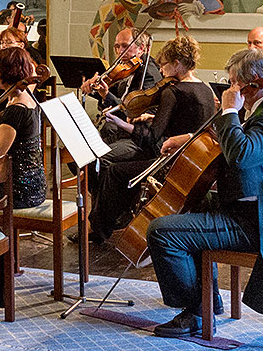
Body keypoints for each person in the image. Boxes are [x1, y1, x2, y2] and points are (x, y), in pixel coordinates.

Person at [144, 48, 263, 337]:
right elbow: (240, 144)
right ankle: (208, 299)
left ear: (252, 81)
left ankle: (196, 313)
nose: (232, 89)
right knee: (191, 205)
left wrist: (229, 110)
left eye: (234, 82)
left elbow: (241, 154)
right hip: (259, 210)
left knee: (161, 230)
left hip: (260, 224)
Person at [86, 36, 216, 244]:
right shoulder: (205, 89)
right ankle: (116, 218)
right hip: (193, 161)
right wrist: (153, 116)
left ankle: (100, 230)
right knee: (120, 164)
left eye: (164, 64)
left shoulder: (172, 92)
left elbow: (152, 138)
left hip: (169, 161)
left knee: (115, 171)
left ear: (177, 64)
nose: (161, 71)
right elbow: (190, 121)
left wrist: (122, 124)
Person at [0, 46, 46, 211]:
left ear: (8, 72)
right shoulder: (28, 99)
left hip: (19, 191)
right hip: (33, 185)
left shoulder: (16, 109)